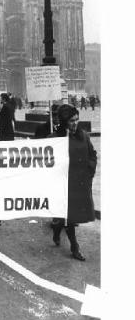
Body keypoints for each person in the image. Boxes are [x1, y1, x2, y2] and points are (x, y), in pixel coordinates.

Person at [50, 104, 97, 260]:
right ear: (64, 122)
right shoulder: (57, 139)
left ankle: (57, 229)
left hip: (80, 183)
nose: (75, 123)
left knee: (73, 216)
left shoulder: (84, 136)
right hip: (64, 184)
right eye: (71, 121)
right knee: (69, 217)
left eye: (76, 120)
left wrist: (89, 172)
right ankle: (74, 247)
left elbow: (92, 155)